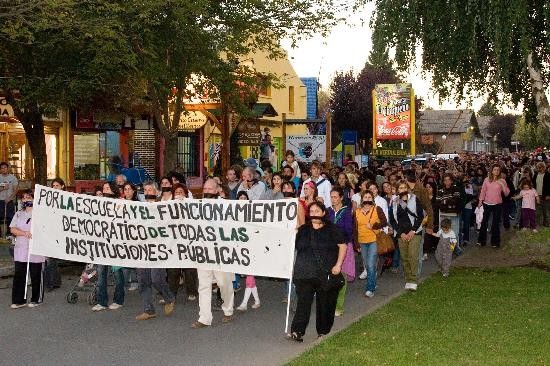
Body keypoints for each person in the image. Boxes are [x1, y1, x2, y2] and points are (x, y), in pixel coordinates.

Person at [287, 202, 347, 342]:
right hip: (304, 273)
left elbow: (343, 246)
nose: (314, 213)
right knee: (303, 302)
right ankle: (297, 331)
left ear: (323, 213)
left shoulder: (332, 229)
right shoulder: (303, 230)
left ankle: (323, 332)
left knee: (325, 303)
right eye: (311, 211)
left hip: (324, 273)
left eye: (317, 211)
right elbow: (292, 246)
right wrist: (292, 233)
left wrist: (338, 265)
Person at [192, 178, 235, 328]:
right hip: (203, 252)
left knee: (224, 283)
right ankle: (204, 318)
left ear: (218, 190)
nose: (207, 191)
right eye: (205, 189)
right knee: (203, 285)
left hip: (221, 252)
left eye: (210, 189)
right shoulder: (197, 206)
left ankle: (228, 310)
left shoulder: (226, 206)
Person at [135, 181, 175, 320]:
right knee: (143, 280)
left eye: (150, 190)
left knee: (156, 278)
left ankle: (169, 297)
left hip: (159, 249)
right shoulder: (138, 208)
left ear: (157, 192)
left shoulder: (163, 208)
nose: (147, 192)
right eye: (145, 190)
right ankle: (148, 309)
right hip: (142, 249)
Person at [92, 182, 126, 311]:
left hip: (116, 245)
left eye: (107, 188)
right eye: (103, 188)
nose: (104, 190)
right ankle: (102, 301)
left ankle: (118, 299)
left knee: (117, 274)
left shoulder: (120, 203)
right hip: (102, 243)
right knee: (101, 274)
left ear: (113, 190)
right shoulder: (99, 205)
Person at [10, 190, 45, 308]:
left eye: (28, 197)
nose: (26, 200)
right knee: (19, 274)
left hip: (36, 248)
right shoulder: (18, 213)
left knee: (36, 274)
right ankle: (19, 300)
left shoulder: (40, 213)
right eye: (24, 198)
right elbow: (12, 229)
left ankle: (36, 299)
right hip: (21, 249)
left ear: (34, 199)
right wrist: (24, 233)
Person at [389, 180, 425, 291]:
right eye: (400, 188)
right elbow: (392, 220)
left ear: (407, 188)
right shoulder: (394, 202)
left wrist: (413, 231)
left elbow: (420, 216)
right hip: (401, 234)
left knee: (413, 256)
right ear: (397, 190)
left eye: (405, 187)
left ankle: (413, 279)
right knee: (404, 258)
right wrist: (401, 233)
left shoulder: (414, 199)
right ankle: (408, 278)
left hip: (415, 232)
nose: (403, 190)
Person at [167, 183, 198, 301]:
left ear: (185, 194)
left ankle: (192, 291)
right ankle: (171, 294)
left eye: (181, 192)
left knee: (189, 269)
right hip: (174, 242)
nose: (179, 194)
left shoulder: (191, 205)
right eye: (176, 192)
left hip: (188, 242)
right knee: (173, 270)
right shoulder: (168, 206)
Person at [354, 191, 387, 298]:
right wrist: (356, 244)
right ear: (362, 199)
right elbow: (354, 229)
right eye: (365, 197)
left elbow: (384, 222)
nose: (367, 198)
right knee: (367, 265)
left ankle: (370, 288)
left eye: (369, 197)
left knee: (371, 264)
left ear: (372, 199)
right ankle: (373, 282)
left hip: (373, 240)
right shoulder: (357, 211)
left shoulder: (377, 209)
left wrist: (374, 225)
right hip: (361, 241)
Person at [327, 187, 353, 316]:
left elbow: (349, 231)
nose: (333, 199)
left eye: (335, 197)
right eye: (331, 197)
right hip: (329, 248)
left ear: (341, 197)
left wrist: (338, 239)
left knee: (341, 277)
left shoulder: (347, 212)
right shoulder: (328, 211)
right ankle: (330, 304)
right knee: (330, 276)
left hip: (343, 247)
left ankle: (339, 306)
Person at [236, 191, 261, 311]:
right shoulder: (234, 215)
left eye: (244, 197)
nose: (242, 199)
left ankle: (244, 304)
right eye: (240, 197)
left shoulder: (253, 213)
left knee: (250, 277)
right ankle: (257, 301)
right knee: (250, 277)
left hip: (253, 248)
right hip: (241, 248)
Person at [477, 165, 510, 248]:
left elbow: (506, 193)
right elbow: (483, 191)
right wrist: (480, 201)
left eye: (498, 170)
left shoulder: (502, 180)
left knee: (495, 223)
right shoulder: (486, 179)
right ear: (492, 171)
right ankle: (481, 241)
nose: (496, 171)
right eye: (495, 170)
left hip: (497, 204)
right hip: (486, 203)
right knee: (484, 222)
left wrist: (502, 185)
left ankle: (495, 242)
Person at [44, 178, 65, 292]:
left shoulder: (67, 198)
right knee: (51, 257)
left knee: (52, 258)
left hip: (61, 231)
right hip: (51, 230)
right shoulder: (50, 199)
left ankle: (52, 282)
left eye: (57, 185)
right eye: (53, 185)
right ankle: (53, 282)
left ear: (62, 186)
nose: (55, 187)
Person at [0, 162, 18, 238]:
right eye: (2, 168)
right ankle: (0, 234)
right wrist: (3, 188)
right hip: (0, 200)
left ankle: (9, 234)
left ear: (8, 168)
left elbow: (16, 190)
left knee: (10, 218)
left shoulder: (13, 178)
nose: (3, 169)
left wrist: (10, 198)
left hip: (9, 201)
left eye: (5, 167)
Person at [533, 162, 550, 227]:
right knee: (537, 212)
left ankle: (547, 225)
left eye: (540, 167)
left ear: (543, 167)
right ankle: (538, 225)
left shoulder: (548, 175)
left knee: (546, 212)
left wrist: (548, 195)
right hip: (537, 196)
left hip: (545, 196)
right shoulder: (535, 175)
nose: (539, 169)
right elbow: (533, 185)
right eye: (538, 167)